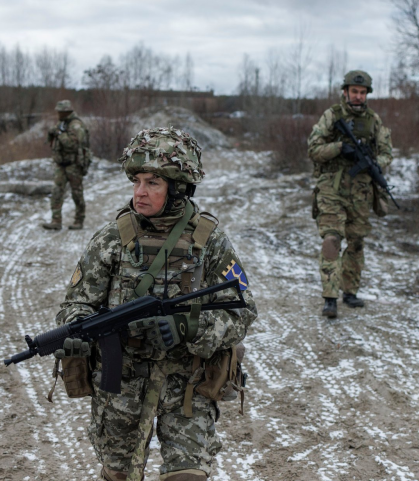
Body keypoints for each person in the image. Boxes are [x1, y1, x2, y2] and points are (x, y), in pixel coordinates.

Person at [53, 127, 258, 481]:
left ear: (178, 188)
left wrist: (189, 328)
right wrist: (78, 330)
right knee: (117, 475)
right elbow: (77, 302)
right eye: (137, 182)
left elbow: (241, 310)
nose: (140, 193)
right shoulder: (113, 238)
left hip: (187, 384)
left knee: (188, 476)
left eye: (152, 183)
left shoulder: (210, 243)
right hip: (123, 383)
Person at [308, 71, 393, 318]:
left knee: (356, 243)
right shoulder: (332, 116)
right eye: (354, 91)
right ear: (345, 91)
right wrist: (339, 148)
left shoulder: (374, 120)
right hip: (331, 190)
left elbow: (388, 153)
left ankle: (350, 291)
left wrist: (372, 162)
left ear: (367, 94)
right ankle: (330, 297)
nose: (358, 96)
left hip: (361, 192)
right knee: (332, 240)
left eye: (362, 92)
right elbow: (313, 148)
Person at [43, 99, 90, 230]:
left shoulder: (75, 125)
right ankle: (56, 220)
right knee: (57, 192)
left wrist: (59, 134)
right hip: (61, 165)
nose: (58, 114)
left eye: (60, 112)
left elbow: (73, 144)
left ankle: (79, 220)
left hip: (73, 165)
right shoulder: (62, 123)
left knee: (77, 193)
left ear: (66, 112)